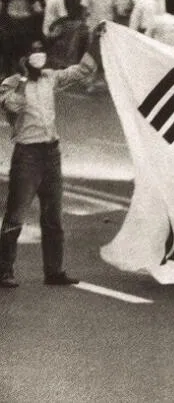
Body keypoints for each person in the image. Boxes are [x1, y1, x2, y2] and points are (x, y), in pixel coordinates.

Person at [0, 24, 105, 288]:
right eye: (33, 51)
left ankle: (54, 270)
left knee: (53, 216)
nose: (39, 55)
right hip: (28, 154)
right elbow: (13, 105)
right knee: (15, 215)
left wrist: (95, 40)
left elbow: (83, 71)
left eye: (41, 50)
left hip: (51, 151)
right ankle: (3, 270)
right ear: (22, 57)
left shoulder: (50, 77)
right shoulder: (9, 83)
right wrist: (24, 78)